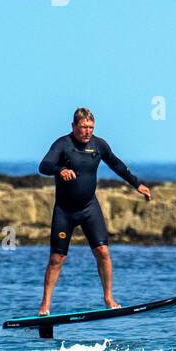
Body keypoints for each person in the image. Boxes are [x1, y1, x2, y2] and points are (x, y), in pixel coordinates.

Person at [37, 108, 151, 315]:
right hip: (65, 211)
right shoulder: (63, 144)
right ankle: (45, 305)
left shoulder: (99, 145)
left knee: (103, 252)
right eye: (83, 127)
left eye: (91, 128)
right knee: (57, 259)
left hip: (89, 208)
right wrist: (60, 170)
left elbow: (117, 165)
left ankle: (108, 298)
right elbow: (44, 166)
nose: (87, 131)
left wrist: (137, 184)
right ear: (73, 126)